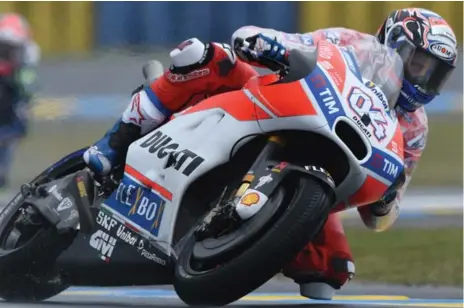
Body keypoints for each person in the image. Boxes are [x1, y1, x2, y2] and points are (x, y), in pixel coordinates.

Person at [230, 8, 457, 300]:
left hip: (314, 175)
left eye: (435, 74)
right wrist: (268, 46)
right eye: (420, 65)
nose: (425, 80)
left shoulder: (415, 128)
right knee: (213, 60)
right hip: (275, 120)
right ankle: (152, 111)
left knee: (331, 269)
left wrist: (387, 196)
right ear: (395, 43)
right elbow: (281, 42)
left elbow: (381, 221)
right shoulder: (348, 42)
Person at [83, 38, 258, 175]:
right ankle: (107, 148)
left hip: (229, 114)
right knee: (145, 110)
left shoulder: (233, 68)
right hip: (178, 109)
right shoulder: (197, 67)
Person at [0, 13, 40, 188]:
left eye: (12, 49)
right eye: (4, 48)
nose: (8, 53)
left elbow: (28, 89)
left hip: (12, 102)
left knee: (9, 137)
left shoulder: (28, 58)